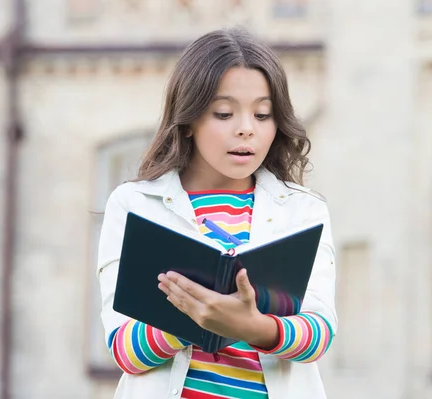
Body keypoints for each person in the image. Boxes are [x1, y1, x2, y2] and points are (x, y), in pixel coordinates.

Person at [97, 27, 337, 399]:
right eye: (224, 113)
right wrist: (196, 316)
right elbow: (124, 349)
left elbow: (318, 333)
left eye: (262, 114)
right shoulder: (135, 205)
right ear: (190, 119)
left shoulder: (304, 210)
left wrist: (254, 325)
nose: (246, 130)